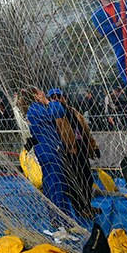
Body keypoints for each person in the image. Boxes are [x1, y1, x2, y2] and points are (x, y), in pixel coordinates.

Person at [16, 87, 71, 214]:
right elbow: (59, 111)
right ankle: (59, 216)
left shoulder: (35, 109)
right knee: (55, 184)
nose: (43, 93)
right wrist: (46, 101)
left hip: (48, 150)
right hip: (48, 151)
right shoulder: (35, 109)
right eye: (40, 92)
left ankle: (59, 214)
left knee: (55, 183)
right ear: (36, 96)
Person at [49, 87, 100, 220]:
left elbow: (86, 130)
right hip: (69, 152)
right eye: (53, 97)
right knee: (74, 182)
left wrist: (94, 147)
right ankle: (80, 209)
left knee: (88, 179)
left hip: (82, 149)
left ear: (64, 97)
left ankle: (87, 205)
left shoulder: (74, 112)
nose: (57, 99)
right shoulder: (53, 114)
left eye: (58, 96)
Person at [91, 0, 127, 89]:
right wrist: (117, 24)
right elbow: (103, 30)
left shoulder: (123, 5)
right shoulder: (97, 14)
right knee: (124, 68)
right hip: (119, 43)